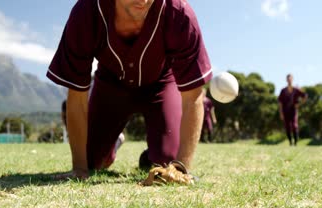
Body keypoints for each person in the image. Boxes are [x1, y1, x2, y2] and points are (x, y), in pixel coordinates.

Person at [47, 0, 212, 179]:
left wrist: (182, 170)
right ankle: (113, 143)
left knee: (169, 163)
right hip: (110, 85)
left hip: (161, 83)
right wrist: (79, 168)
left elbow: (193, 97)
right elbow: (77, 96)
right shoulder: (86, 12)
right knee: (91, 161)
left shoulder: (179, 13)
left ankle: (151, 156)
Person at [278, 74, 307, 146]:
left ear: (292, 79)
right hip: (285, 111)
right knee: (287, 127)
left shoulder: (296, 90)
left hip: (293, 111)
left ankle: (296, 142)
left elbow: (305, 96)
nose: (289, 80)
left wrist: (299, 104)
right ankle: (290, 142)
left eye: (290, 79)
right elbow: (280, 103)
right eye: (288, 79)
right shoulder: (283, 91)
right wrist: (281, 113)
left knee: (294, 126)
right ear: (286, 80)